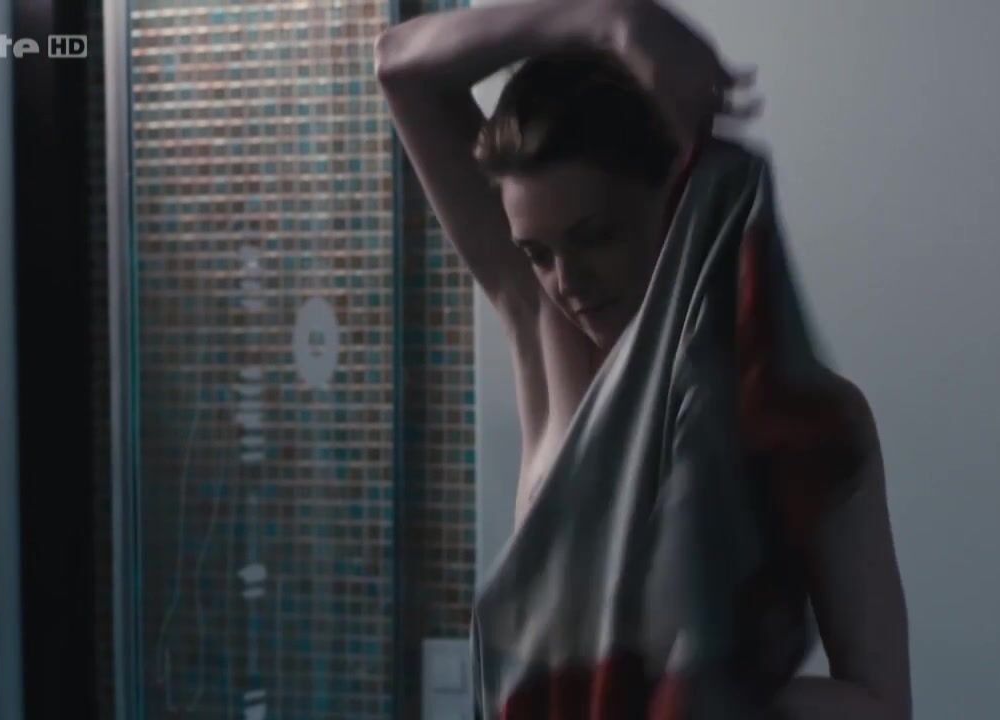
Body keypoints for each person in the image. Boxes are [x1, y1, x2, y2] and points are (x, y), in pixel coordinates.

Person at [376, 1, 911, 717]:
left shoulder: (808, 416)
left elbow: (882, 703)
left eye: (595, 236)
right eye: (537, 253)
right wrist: (607, 17)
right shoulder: (548, 343)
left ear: (677, 200)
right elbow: (402, 69)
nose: (568, 284)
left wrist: (690, 699)